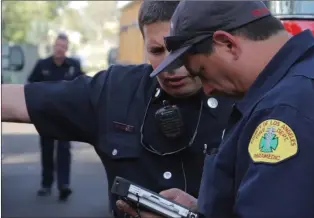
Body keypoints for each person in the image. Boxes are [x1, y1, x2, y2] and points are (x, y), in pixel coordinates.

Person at [1, 1, 234, 217]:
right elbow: (19, 100)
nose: (170, 67)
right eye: (156, 51)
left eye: (181, 49)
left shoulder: (242, 98)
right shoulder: (115, 90)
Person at [124, 1, 314, 218]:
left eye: (202, 72)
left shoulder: (287, 110)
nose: (208, 90)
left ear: (227, 44)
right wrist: (205, 208)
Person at [27, 33, 84, 201]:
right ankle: (46, 184)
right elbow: (31, 85)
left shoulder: (73, 65)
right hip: (45, 115)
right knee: (47, 150)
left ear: (66, 48)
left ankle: (64, 185)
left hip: (65, 116)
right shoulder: (42, 65)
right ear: (53, 46)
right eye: (57, 45)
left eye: (63, 46)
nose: (60, 49)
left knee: (64, 150)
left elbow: (82, 86)